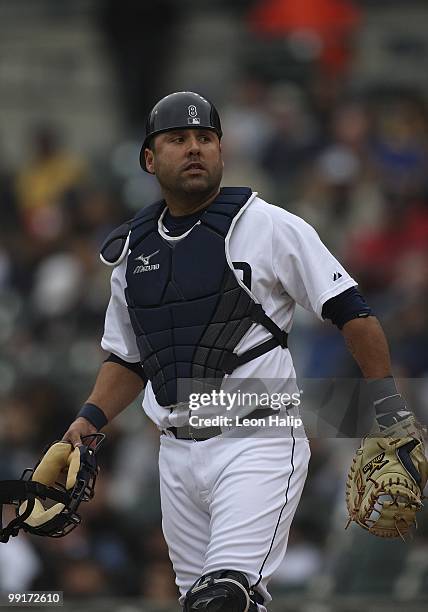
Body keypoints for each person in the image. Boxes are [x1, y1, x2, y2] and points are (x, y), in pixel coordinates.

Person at [62, 91, 414, 611]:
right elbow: (127, 360)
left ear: (222, 151)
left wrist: (387, 410)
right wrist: (88, 421)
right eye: (178, 139)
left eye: (205, 138)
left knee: (223, 598)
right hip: (176, 451)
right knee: (204, 603)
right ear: (149, 159)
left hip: (258, 436)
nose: (195, 148)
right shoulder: (132, 251)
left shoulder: (267, 225)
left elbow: (353, 313)